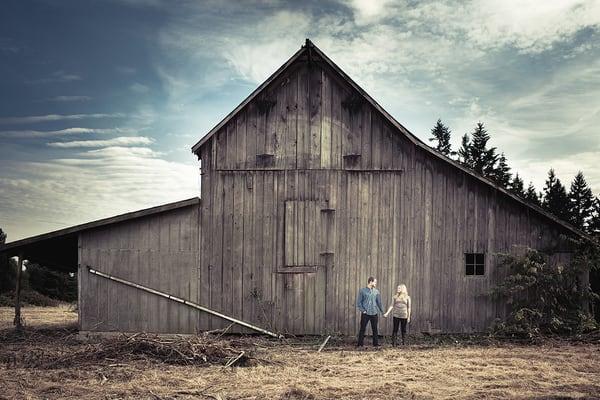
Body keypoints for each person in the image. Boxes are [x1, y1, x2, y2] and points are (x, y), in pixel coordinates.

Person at [356, 276, 385, 347]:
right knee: (362, 329)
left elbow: (379, 303)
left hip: (374, 313)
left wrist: (383, 312)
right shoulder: (362, 291)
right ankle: (360, 344)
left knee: (375, 329)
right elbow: (359, 303)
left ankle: (375, 344)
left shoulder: (376, 291)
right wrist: (363, 311)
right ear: (370, 282)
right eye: (375, 282)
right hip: (366, 313)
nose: (375, 283)